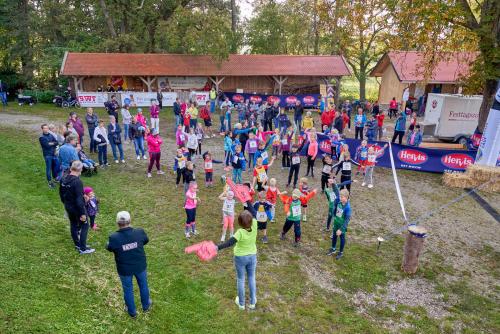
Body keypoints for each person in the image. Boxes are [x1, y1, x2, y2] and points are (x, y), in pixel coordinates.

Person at [106, 211, 151, 318]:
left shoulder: (114, 238)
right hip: (140, 266)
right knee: (143, 285)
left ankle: (132, 312)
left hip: (124, 269)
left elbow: (109, 248)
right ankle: (146, 306)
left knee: (128, 289)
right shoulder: (139, 232)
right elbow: (145, 240)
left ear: (118, 223)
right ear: (130, 221)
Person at [59, 160, 95, 254]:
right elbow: (79, 200)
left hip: (68, 206)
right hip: (77, 208)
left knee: (73, 224)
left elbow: (61, 194)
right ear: (80, 169)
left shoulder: (64, 178)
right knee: (85, 225)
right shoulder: (77, 182)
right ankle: (83, 248)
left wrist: (66, 203)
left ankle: (77, 244)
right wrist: (83, 213)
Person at [326, 189, 352, 260]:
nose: (340, 198)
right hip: (336, 223)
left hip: (341, 226)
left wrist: (341, 229)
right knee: (334, 236)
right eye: (340, 196)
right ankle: (333, 248)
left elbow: (347, 220)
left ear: (346, 197)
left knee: (342, 238)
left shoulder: (348, 208)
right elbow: (336, 211)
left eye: (342, 197)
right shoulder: (339, 203)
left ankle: (341, 252)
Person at [39, 123, 61, 188]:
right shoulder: (41, 137)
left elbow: (57, 142)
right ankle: (49, 182)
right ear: (42, 129)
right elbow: (47, 146)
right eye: (44, 128)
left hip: (54, 154)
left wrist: (51, 143)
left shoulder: (51, 135)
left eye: (47, 128)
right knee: (48, 168)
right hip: (47, 155)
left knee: (55, 167)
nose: (46, 129)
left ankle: (55, 178)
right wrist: (52, 143)